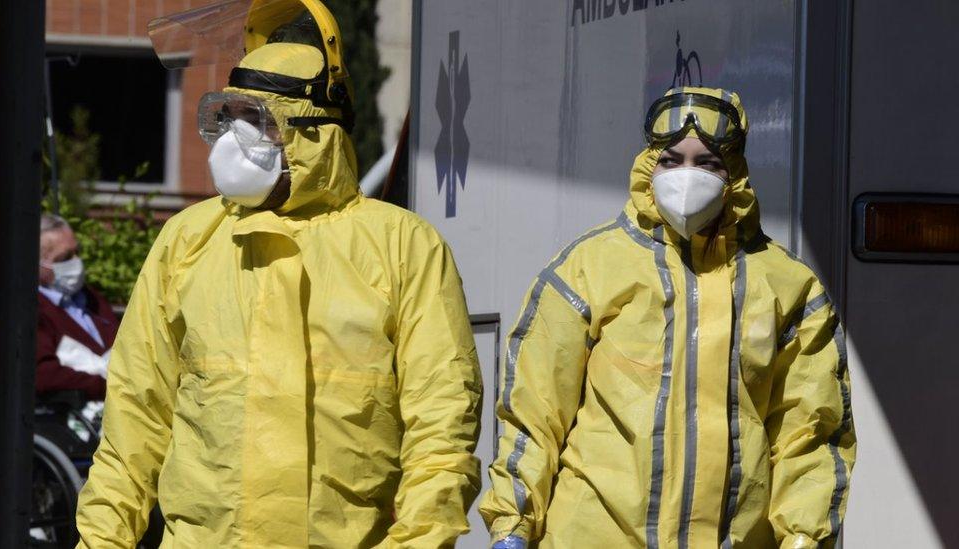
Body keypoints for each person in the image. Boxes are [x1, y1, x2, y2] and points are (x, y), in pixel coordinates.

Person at [75, 1, 482, 546]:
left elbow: (442, 426)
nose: (235, 139)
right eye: (231, 116)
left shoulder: (402, 246)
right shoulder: (189, 239)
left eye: (260, 120)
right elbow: (134, 419)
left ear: (316, 133)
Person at [480, 87, 855, 548]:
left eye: (708, 163)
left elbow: (810, 435)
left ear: (734, 172)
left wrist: (803, 538)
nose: (686, 177)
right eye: (672, 159)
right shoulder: (586, 271)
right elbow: (533, 415)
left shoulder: (789, 288)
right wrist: (513, 525)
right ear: (649, 162)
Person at [36, 214, 117, 402]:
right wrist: (111, 385)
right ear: (38, 264)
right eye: (65, 258)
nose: (77, 261)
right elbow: (44, 375)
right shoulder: (34, 309)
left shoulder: (90, 297)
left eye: (77, 251)